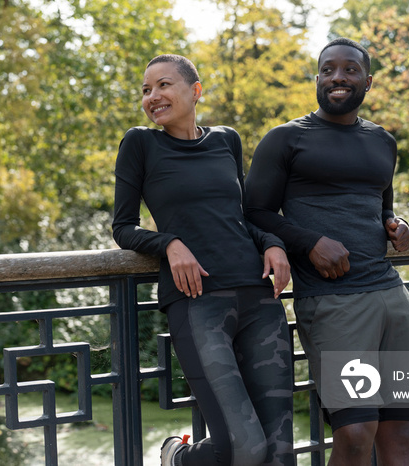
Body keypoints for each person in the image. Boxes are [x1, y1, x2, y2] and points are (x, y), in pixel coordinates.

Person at [245, 38, 409, 465]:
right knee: (355, 433)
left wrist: (397, 224)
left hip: (390, 294)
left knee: (403, 431)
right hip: (333, 302)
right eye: (328, 70)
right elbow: (253, 211)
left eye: (349, 70)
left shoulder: (383, 141)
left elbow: (381, 204)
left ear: (368, 80)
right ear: (317, 78)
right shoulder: (285, 139)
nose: (338, 78)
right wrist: (308, 242)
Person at [112, 54, 295, 466]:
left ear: (195, 91)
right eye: (146, 90)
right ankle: (176, 456)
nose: (152, 96)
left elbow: (242, 215)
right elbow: (123, 227)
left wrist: (272, 242)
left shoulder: (226, 139)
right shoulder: (140, 143)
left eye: (163, 85)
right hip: (198, 304)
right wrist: (169, 243)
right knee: (244, 448)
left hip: (260, 298)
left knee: (280, 453)